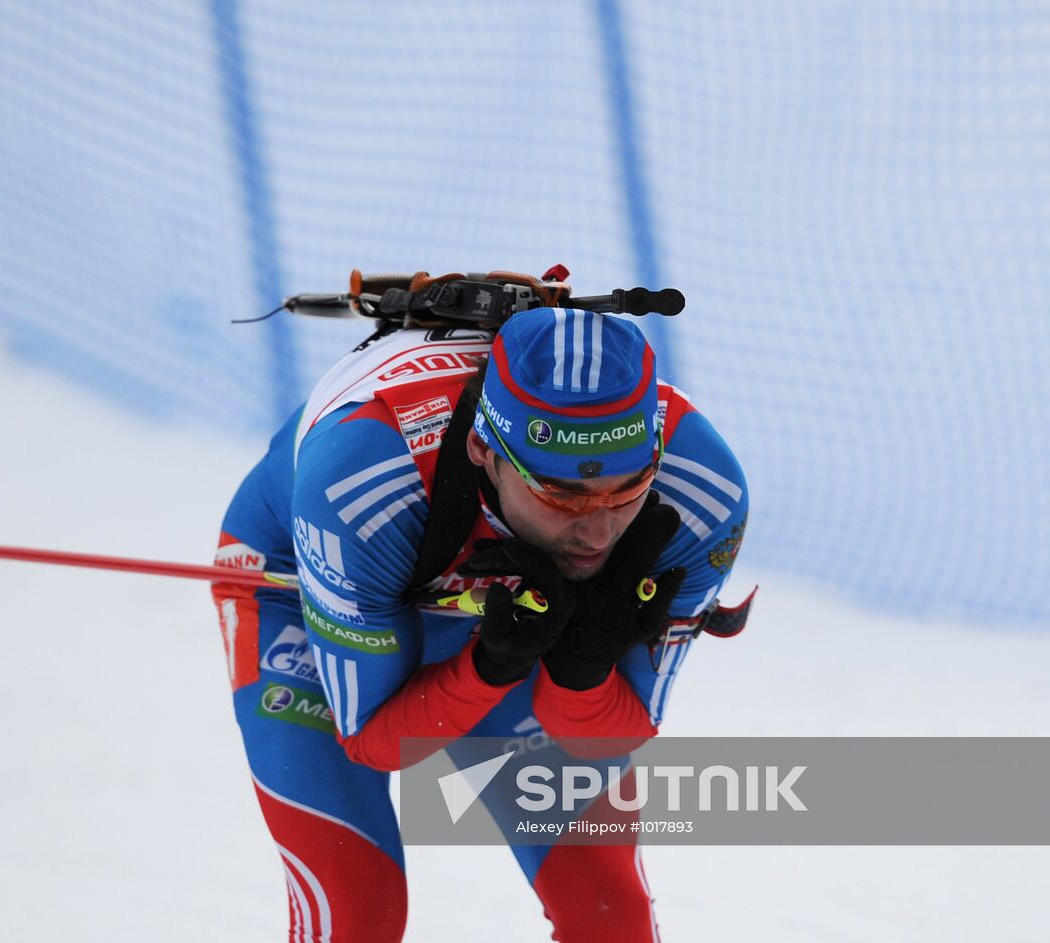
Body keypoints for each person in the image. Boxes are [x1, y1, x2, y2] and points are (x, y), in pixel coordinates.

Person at [213, 298, 748, 941]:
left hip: (498, 619)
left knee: (612, 918)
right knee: (358, 913)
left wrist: (581, 673)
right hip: (303, 592)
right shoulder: (362, 484)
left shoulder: (701, 491)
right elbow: (378, 742)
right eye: (562, 493)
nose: (599, 528)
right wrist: (490, 668)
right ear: (483, 449)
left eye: (628, 488)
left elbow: (614, 732)